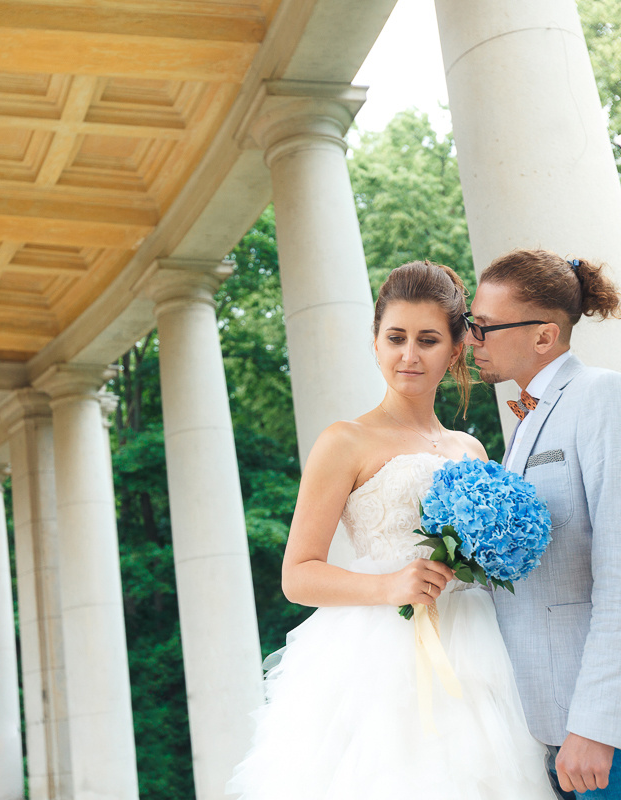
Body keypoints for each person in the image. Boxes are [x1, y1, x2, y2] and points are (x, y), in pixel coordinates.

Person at [227, 260, 558, 800]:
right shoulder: (344, 441)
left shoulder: (469, 450)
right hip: (378, 657)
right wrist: (390, 587)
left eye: (428, 340)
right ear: (376, 344)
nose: (409, 355)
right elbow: (298, 576)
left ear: (454, 350)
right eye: (395, 337)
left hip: (479, 651)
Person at [466, 248, 621, 799]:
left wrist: (597, 725)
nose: (472, 340)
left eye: (484, 327)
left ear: (544, 336)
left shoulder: (604, 398)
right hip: (551, 728)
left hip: (613, 736)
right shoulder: (523, 425)